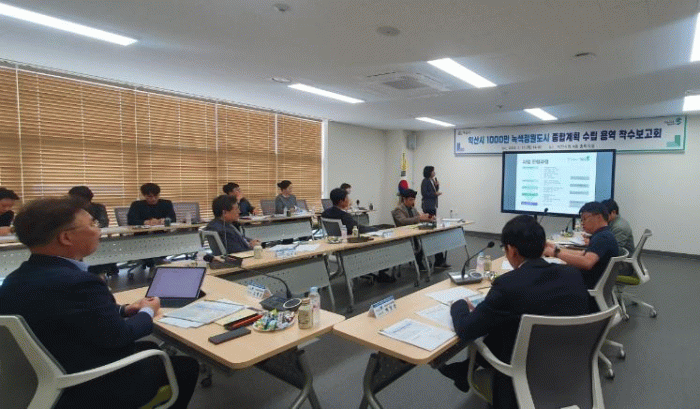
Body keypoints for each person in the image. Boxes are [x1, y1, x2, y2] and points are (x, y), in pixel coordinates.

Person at [0, 197, 199, 409]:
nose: (99, 231)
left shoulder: (15, 279)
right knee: (186, 366)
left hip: (49, 371)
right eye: (93, 224)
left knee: (149, 346)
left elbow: (70, 313)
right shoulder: (79, 283)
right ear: (66, 237)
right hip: (87, 386)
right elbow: (120, 336)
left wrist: (124, 309)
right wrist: (148, 311)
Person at [443, 215, 589, 408]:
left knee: (499, 325)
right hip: (569, 368)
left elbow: (466, 330)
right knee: (506, 322)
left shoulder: (507, 285)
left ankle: (464, 371)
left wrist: (459, 305)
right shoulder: (573, 274)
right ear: (543, 246)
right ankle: (462, 372)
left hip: (522, 376)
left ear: (511, 250)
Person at [544, 201, 619, 289]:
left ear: (598, 217)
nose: (582, 223)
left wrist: (555, 253)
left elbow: (587, 262)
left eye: (584, 219)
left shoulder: (603, 238)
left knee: (546, 273)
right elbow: (582, 254)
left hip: (585, 285)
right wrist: (555, 248)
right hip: (588, 281)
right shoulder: (603, 234)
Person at [391, 189, 448, 269]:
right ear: (404, 199)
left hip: (415, 232)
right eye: (410, 200)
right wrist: (419, 218)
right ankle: (419, 263)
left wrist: (428, 218)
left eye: (413, 199)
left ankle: (439, 261)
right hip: (406, 234)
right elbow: (403, 221)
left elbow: (418, 218)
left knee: (434, 238)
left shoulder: (413, 208)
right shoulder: (398, 209)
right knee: (422, 241)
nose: (412, 202)